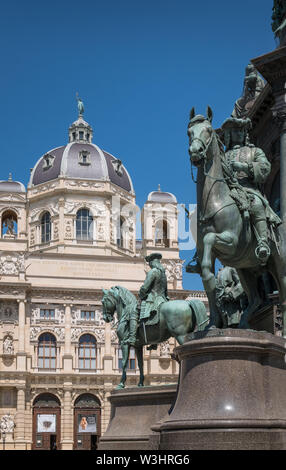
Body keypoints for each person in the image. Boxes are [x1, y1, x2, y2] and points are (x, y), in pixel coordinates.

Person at [221, 117, 281, 264]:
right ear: (230, 135)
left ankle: (262, 242)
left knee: (256, 204)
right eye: (236, 131)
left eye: (242, 131)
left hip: (248, 189)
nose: (240, 134)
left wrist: (243, 167)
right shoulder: (223, 156)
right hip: (228, 191)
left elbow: (265, 168)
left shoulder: (255, 151)